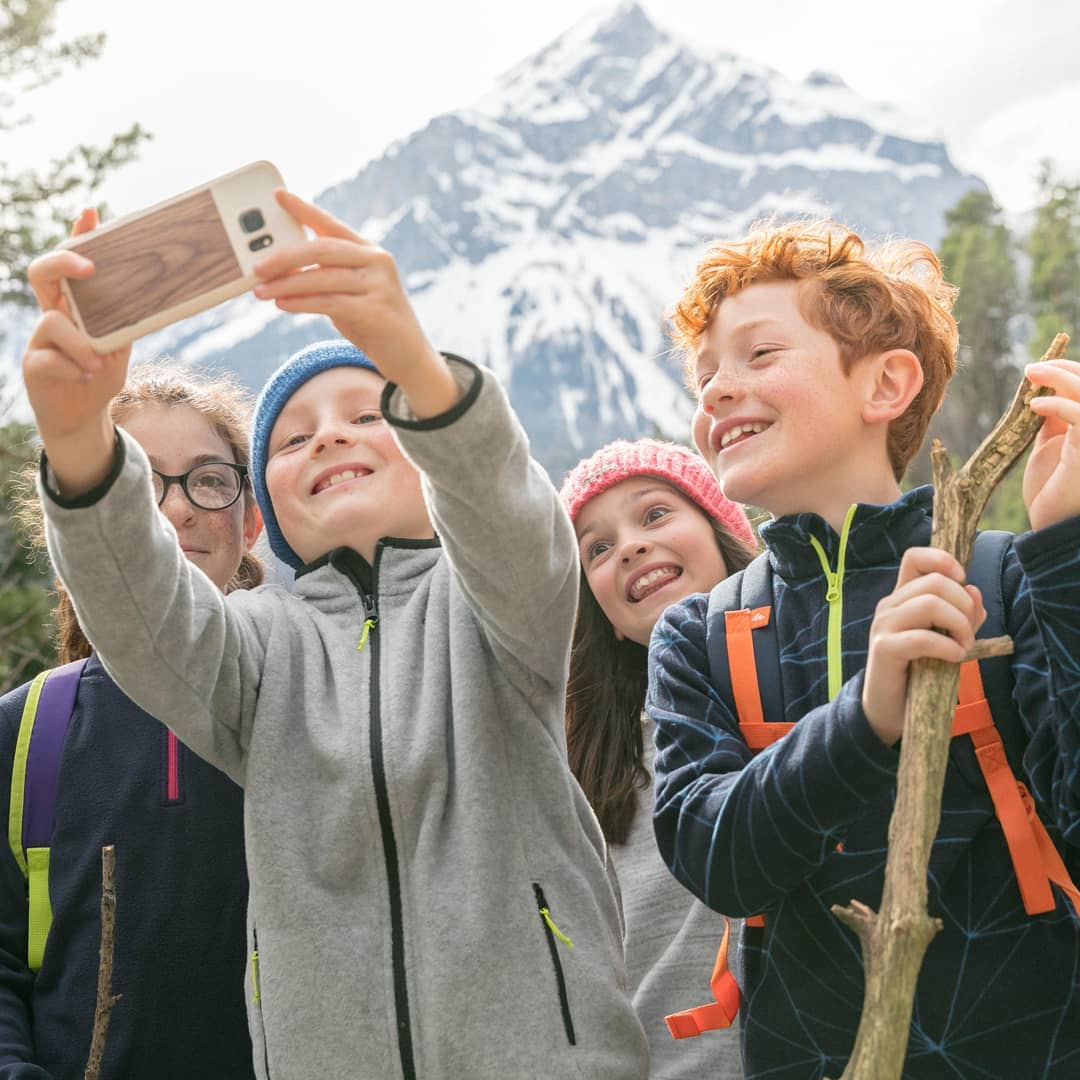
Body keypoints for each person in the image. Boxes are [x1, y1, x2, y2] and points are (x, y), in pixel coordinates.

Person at [21, 189, 648, 1079]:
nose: (327, 440)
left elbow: (512, 519)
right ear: (263, 513)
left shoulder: (496, 601)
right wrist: (80, 434)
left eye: (367, 414)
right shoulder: (252, 648)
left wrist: (418, 367)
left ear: (426, 454)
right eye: (293, 437)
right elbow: (140, 607)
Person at [647, 218, 1080, 1079]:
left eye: (758, 356)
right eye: (704, 379)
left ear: (886, 383)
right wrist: (865, 718)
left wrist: (1066, 549)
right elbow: (719, 862)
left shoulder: (1007, 580)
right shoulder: (698, 635)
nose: (716, 393)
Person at [0, 353, 263, 1079]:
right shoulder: (26, 733)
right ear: (77, 523)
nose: (176, 508)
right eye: (134, 485)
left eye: (210, 480)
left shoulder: (303, 705)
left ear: (254, 519)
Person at [560, 437, 755, 1078]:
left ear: (723, 530)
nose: (631, 547)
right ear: (605, 617)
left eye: (654, 515)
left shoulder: (814, 682)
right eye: (598, 548)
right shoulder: (595, 772)